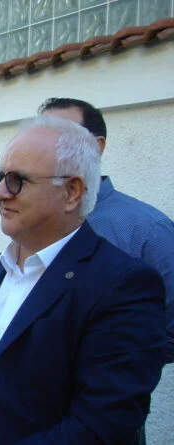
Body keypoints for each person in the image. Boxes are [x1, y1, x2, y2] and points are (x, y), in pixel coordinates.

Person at [0, 116, 165, 444]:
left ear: (72, 192)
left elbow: (103, 421)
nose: (0, 194)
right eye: (1, 177)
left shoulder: (123, 286)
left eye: (17, 180)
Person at [39, 97, 174, 364]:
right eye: (41, 138)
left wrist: (110, 364)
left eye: (62, 138)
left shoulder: (147, 229)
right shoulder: (32, 219)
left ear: (96, 147)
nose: (47, 149)